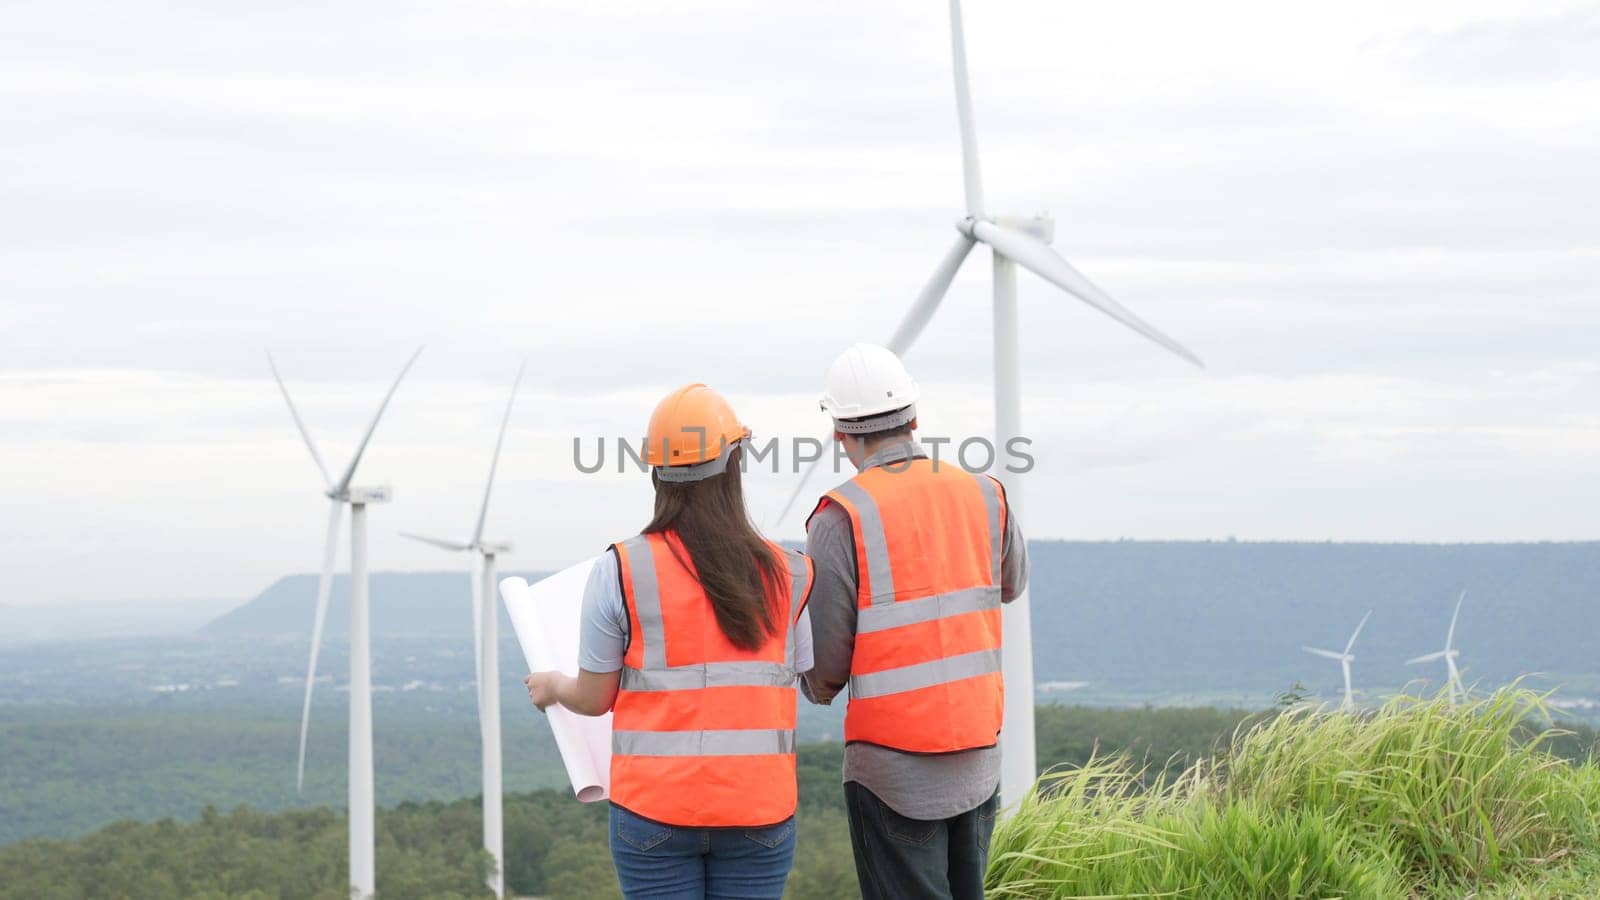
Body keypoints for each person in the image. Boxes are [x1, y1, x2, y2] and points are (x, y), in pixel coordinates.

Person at [523, 383, 815, 900]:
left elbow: (594, 699)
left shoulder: (620, 568)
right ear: (735, 463)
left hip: (654, 813)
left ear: (656, 472)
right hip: (759, 810)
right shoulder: (787, 572)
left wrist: (552, 687)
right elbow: (801, 673)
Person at [801, 344, 1028, 900]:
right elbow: (1011, 584)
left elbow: (825, 664)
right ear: (915, 418)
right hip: (977, 755)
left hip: (891, 769)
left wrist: (815, 687)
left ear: (840, 432)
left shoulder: (840, 516)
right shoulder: (985, 493)